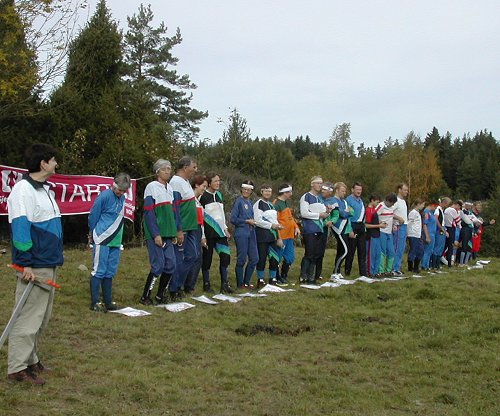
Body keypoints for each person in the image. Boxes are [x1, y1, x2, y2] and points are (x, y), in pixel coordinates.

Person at [6, 143, 63, 385]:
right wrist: (25, 264)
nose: (56, 164)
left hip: (48, 262)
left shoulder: (44, 190)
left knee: (41, 317)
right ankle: (17, 367)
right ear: (43, 163)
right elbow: (20, 229)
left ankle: (31, 359)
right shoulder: (23, 190)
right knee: (28, 317)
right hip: (34, 265)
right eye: (53, 160)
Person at [89, 172, 131, 312]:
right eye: (119, 189)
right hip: (102, 238)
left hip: (116, 240)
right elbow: (94, 215)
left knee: (110, 271)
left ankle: (108, 301)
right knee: (99, 270)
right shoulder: (104, 196)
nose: (120, 193)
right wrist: (92, 233)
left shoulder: (122, 198)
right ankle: (95, 302)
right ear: (113, 184)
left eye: (123, 191)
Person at [140, 159, 179, 305]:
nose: (167, 171)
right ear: (157, 172)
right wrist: (155, 234)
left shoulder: (170, 189)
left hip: (169, 233)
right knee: (158, 265)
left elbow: (173, 212)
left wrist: (174, 232)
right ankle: (145, 296)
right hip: (156, 234)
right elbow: (149, 213)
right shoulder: (151, 187)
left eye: (169, 168)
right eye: (164, 169)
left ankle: (160, 295)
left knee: (171, 264)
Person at [168, 156, 199, 298]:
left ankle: (178, 284)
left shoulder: (185, 181)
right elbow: (175, 208)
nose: (195, 170)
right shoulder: (175, 182)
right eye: (194, 167)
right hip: (183, 228)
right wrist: (178, 229)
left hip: (191, 226)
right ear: (185, 167)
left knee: (192, 256)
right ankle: (173, 288)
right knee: (179, 258)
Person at [200, 173, 233, 293]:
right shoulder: (203, 196)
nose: (218, 183)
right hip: (208, 233)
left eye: (219, 181)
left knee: (225, 257)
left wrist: (225, 228)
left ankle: (225, 284)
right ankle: (206, 284)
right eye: (215, 181)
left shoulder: (219, 195)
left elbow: (221, 214)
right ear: (209, 183)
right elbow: (200, 217)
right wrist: (202, 236)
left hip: (220, 233)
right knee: (207, 259)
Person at [299, 176, 330, 284]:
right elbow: (304, 213)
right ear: (312, 184)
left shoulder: (320, 198)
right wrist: (319, 215)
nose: (320, 185)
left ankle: (311, 277)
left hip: (319, 229)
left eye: (321, 183)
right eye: (318, 183)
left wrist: (328, 212)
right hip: (310, 229)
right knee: (309, 253)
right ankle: (303, 276)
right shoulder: (306, 196)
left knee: (316, 254)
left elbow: (323, 215)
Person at [254, 185, 284, 286]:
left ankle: (273, 278)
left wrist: (279, 235)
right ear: (261, 192)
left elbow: (275, 221)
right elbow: (257, 221)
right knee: (262, 258)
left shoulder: (271, 205)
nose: (267, 193)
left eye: (269, 191)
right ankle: (260, 279)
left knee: (274, 258)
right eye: (266, 191)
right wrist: (271, 225)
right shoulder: (258, 204)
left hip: (273, 237)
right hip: (262, 236)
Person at [230, 181, 259, 288]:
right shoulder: (238, 202)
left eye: (248, 190)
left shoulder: (250, 203)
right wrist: (246, 221)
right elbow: (233, 219)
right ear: (241, 190)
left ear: (251, 191)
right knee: (242, 258)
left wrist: (253, 222)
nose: (246, 191)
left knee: (254, 258)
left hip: (251, 232)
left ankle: (247, 282)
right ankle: (240, 283)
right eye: (244, 189)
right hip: (241, 232)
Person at [183, 174, 208, 294]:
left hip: (198, 230)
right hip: (190, 228)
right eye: (203, 186)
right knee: (193, 256)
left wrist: (203, 236)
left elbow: (201, 221)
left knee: (198, 258)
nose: (204, 189)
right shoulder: (190, 199)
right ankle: (185, 285)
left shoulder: (198, 201)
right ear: (196, 185)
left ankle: (190, 285)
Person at [273, 183, 300, 285]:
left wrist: (296, 227)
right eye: (289, 192)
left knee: (290, 257)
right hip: (282, 235)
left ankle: (284, 275)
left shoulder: (287, 202)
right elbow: (275, 221)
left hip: (289, 236)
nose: (291, 194)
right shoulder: (276, 204)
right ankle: (276, 276)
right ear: (284, 192)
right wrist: (278, 237)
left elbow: (290, 218)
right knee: (278, 257)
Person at [330, 182, 354, 278]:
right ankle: (335, 272)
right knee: (345, 250)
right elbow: (342, 214)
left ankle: (337, 272)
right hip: (338, 228)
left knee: (341, 250)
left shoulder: (344, 201)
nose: (344, 193)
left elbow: (351, 212)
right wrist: (346, 212)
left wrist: (346, 212)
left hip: (345, 228)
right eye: (342, 191)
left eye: (345, 191)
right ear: (337, 190)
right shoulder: (333, 200)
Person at [345, 182, 367, 277]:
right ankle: (347, 272)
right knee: (351, 251)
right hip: (353, 225)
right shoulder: (348, 200)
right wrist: (350, 229)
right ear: (352, 190)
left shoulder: (361, 201)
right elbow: (347, 216)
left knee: (362, 250)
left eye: (360, 190)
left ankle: (363, 273)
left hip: (361, 226)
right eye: (357, 189)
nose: (359, 191)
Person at [376, 193, 401, 275]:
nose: (392, 205)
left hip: (389, 232)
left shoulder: (391, 208)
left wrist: (394, 224)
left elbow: (391, 216)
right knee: (382, 251)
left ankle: (388, 270)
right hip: (381, 231)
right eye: (391, 203)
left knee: (391, 251)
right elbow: (374, 215)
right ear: (387, 201)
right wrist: (379, 223)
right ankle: (380, 270)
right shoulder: (381, 206)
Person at [365, 194, 387, 277]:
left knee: (378, 254)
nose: (378, 204)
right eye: (377, 202)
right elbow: (366, 225)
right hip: (371, 236)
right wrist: (379, 225)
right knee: (371, 255)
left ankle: (376, 271)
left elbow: (373, 222)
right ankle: (370, 272)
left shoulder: (374, 210)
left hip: (377, 235)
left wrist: (380, 224)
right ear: (372, 201)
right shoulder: (368, 211)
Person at [392, 183, 409, 275]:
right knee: (397, 247)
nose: (406, 192)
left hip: (404, 226)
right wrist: (398, 218)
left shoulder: (403, 201)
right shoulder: (396, 201)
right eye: (405, 190)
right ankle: (393, 268)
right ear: (399, 190)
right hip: (398, 226)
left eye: (407, 190)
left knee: (401, 248)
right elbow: (389, 211)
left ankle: (397, 267)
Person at [432, 197, 451, 270]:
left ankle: (437, 265)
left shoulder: (441, 210)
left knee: (441, 247)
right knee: (437, 247)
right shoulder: (438, 209)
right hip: (439, 230)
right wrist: (441, 228)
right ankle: (434, 265)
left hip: (442, 229)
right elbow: (436, 219)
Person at [407, 199, 425, 274]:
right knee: (413, 250)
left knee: (420, 250)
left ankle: (416, 266)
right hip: (413, 234)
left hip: (418, 234)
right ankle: (410, 267)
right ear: (418, 204)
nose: (423, 206)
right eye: (422, 204)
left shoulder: (418, 213)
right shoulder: (413, 213)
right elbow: (409, 223)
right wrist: (408, 233)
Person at [443, 200, 463, 267]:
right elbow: (458, 220)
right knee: (450, 246)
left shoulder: (446, 210)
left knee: (445, 245)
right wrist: (460, 227)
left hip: (446, 227)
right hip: (451, 228)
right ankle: (449, 263)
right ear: (457, 205)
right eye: (459, 207)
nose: (458, 209)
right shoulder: (452, 210)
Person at [421, 201, 437, 270]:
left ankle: (427, 265)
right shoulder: (426, 212)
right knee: (427, 250)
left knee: (430, 250)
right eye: (435, 207)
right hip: (429, 233)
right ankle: (424, 265)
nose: (435, 208)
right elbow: (425, 224)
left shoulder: (431, 213)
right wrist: (427, 236)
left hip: (433, 233)